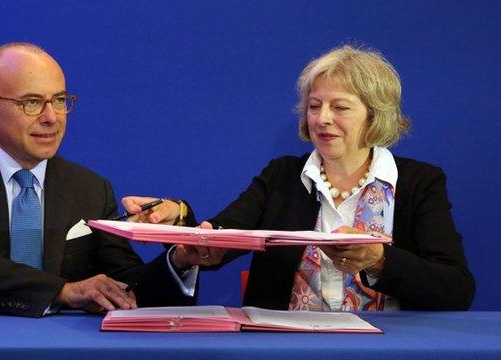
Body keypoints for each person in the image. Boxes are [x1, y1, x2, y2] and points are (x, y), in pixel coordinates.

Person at [126, 45, 475, 311]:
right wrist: (183, 222)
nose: (322, 118)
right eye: (313, 105)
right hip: (285, 350)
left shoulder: (418, 182)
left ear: (374, 116)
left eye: (339, 107)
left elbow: (456, 288)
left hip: (388, 351)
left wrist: (380, 261)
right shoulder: (282, 177)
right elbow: (221, 235)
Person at [0, 42, 196, 317]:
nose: (51, 117)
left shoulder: (90, 188)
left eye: (59, 100)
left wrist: (180, 258)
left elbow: (127, 288)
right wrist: (63, 291)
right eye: (32, 102)